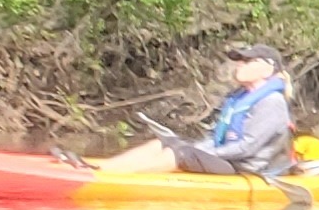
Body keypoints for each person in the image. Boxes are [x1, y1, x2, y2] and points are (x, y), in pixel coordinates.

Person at [87, 43, 294, 176]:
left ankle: (110, 178)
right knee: (163, 143)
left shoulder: (272, 102)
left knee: (184, 153)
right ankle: (104, 169)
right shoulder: (239, 97)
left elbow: (246, 148)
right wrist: (198, 147)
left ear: (268, 69)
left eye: (248, 61)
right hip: (230, 159)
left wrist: (199, 151)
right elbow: (217, 137)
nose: (239, 65)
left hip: (246, 168)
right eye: (240, 61)